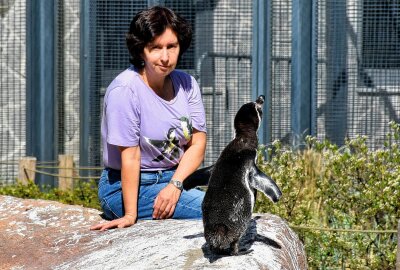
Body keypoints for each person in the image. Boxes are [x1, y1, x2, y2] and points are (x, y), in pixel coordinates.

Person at [90, 6, 207, 231]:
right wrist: (130, 215)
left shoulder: (187, 84)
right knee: (214, 209)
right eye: (155, 48)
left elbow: (197, 144)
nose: (165, 57)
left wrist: (175, 185)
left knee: (227, 198)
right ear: (141, 50)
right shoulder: (125, 90)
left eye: (171, 46)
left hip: (175, 179)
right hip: (125, 187)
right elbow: (131, 157)